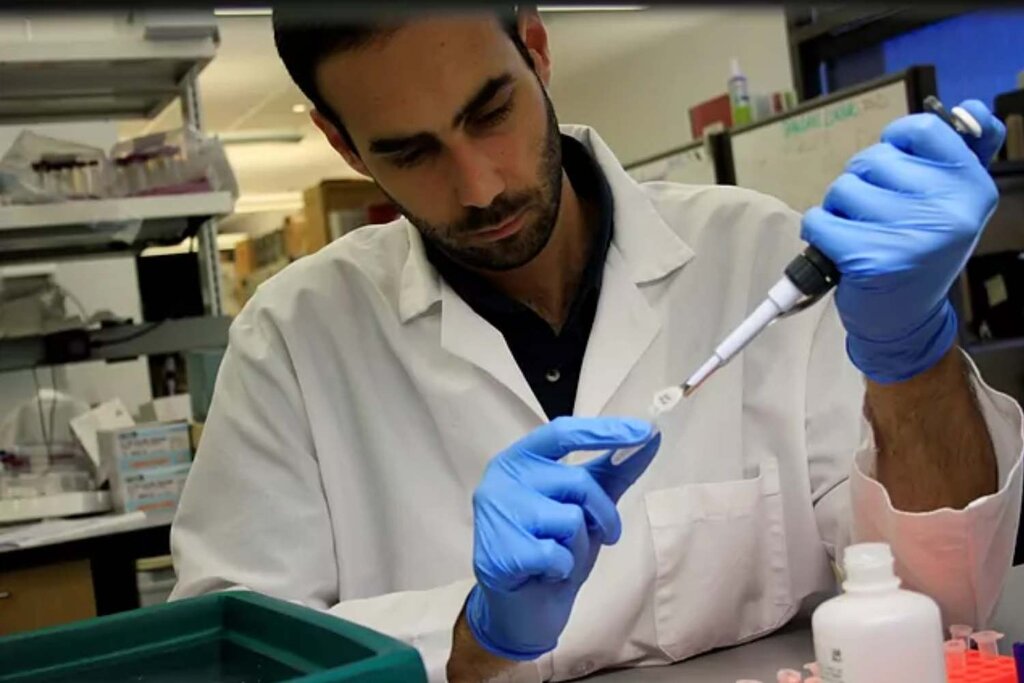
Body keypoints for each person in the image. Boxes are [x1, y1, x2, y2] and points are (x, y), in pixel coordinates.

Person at [170, 6, 1023, 682]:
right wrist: (473, 635)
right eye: (410, 151)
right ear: (340, 142)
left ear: (536, 50)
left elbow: (942, 606)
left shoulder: (753, 252)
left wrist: (914, 359)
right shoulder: (290, 341)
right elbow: (240, 657)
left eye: (490, 111)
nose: (481, 185)